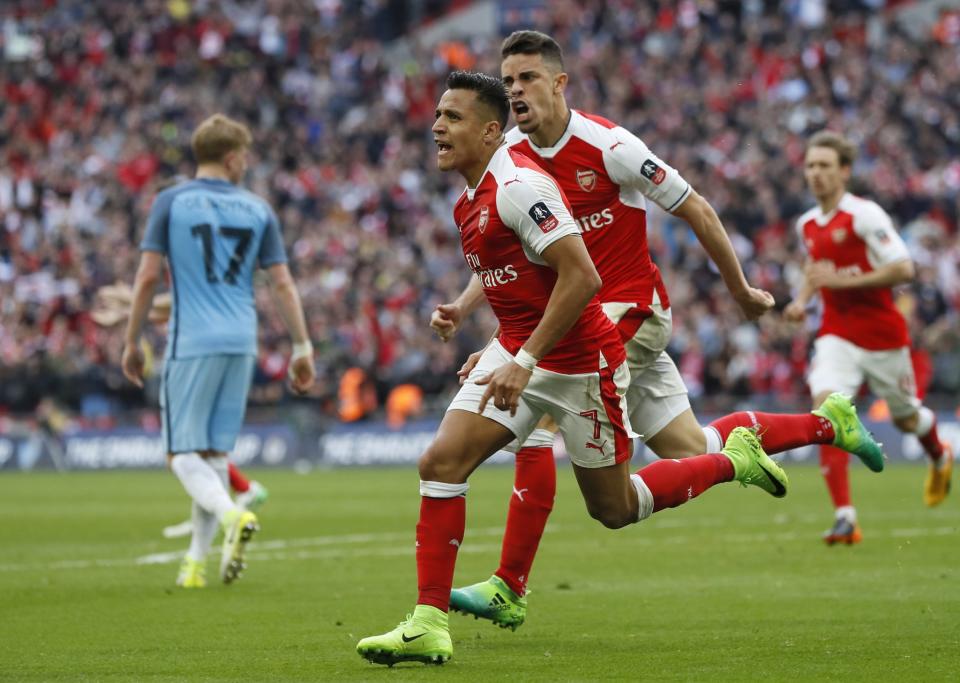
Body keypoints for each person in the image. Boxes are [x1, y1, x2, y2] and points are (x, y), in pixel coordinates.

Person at [429, 30, 884, 630]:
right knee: (690, 451)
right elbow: (509, 243)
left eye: (529, 78)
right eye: (508, 80)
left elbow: (696, 207)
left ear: (559, 83)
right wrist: (466, 307)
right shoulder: (507, 153)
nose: (515, 90)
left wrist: (741, 289)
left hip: (628, 311)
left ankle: (509, 586)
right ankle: (829, 423)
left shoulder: (609, 145)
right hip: (584, 316)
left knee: (537, 404)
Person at [355, 71, 790, 667]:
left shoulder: (518, 188)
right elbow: (518, 282)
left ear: (489, 132)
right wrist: (491, 339)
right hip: (522, 350)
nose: (436, 127)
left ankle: (730, 459)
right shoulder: (469, 198)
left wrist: (524, 359)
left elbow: (582, 276)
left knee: (614, 510)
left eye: (452, 118)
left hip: (585, 363)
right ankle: (429, 621)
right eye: (437, 115)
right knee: (441, 461)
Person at [122, 113, 315, 588]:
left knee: (179, 454)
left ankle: (232, 513)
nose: (246, 164)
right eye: (245, 156)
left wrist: (131, 340)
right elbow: (282, 283)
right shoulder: (259, 209)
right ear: (231, 158)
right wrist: (302, 345)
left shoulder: (171, 201)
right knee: (211, 454)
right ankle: (194, 564)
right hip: (240, 341)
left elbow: (148, 276)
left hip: (192, 341)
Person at [784, 130, 954, 543]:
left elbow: (904, 269)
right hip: (836, 335)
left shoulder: (865, 215)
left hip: (882, 337)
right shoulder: (807, 223)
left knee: (906, 417)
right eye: (810, 166)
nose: (816, 174)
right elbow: (816, 266)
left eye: (825, 165)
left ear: (844, 171)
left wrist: (841, 282)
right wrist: (802, 299)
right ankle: (845, 517)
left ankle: (939, 453)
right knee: (826, 412)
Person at [92, 282, 270, 540]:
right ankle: (237, 495)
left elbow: (175, 303)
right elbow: (172, 306)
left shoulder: (198, 263)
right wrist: (128, 307)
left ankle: (228, 508)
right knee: (201, 447)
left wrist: (129, 306)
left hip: (200, 359)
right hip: (227, 352)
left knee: (181, 450)